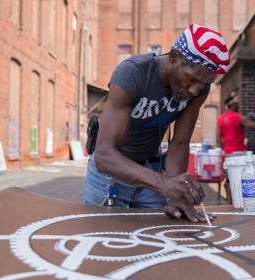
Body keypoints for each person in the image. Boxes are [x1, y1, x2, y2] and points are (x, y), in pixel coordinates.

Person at [84, 24, 230, 222]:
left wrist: (175, 194)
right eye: (192, 79)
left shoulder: (198, 90)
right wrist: (163, 183)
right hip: (110, 174)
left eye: (204, 84)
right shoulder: (132, 74)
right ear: (174, 57)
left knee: (157, 239)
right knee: (103, 238)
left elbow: (179, 143)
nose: (196, 90)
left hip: (151, 170)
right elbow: (103, 155)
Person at [217, 92, 255, 202]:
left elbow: (218, 139)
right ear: (233, 104)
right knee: (243, 179)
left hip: (228, 153)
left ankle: (230, 202)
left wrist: (225, 149)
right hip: (240, 153)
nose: (239, 105)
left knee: (230, 179)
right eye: (237, 103)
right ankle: (241, 202)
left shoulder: (220, 119)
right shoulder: (238, 117)